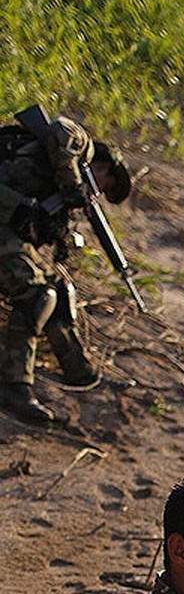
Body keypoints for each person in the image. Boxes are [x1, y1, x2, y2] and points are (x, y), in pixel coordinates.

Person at [0, 112, 132, 425]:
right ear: (100, 165)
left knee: (57, 292)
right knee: (36, 295)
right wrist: (72, 184)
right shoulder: (81, 147)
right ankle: (13, 386)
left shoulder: (54, 185)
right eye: (105, 183)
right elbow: (61, 128)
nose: (98, 193)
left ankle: (80, 372)